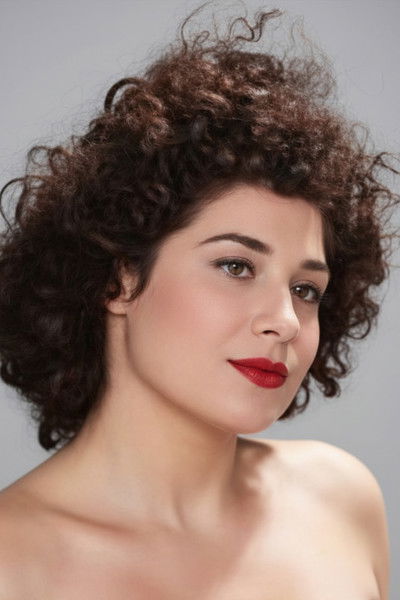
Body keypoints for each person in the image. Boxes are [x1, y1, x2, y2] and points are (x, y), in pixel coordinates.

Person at [0, 6, 396, 599]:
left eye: (305, 289)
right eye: (236, 266)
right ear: (119, 281)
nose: (285, 321)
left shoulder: (341, 500)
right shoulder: (11, 563)